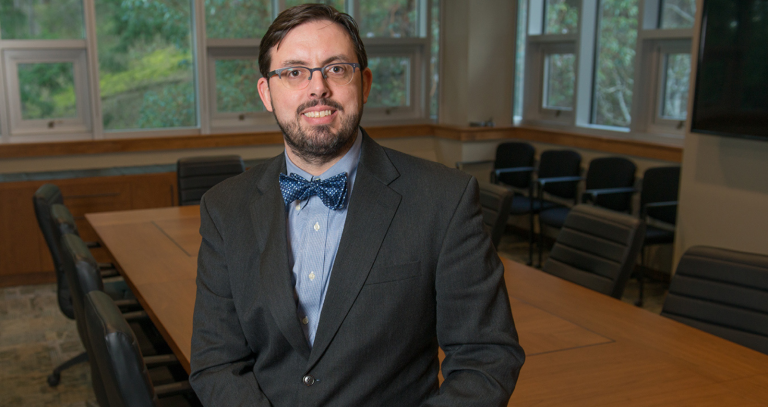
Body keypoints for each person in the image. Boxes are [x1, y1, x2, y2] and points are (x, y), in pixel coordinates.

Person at [189, 4, 524, 406]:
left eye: (336, 69)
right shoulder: (224, 207)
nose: (318, 88)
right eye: (294, 72)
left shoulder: (444, 199)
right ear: (266, 93)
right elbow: (216, 361)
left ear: (363, 84)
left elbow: (486, 357)